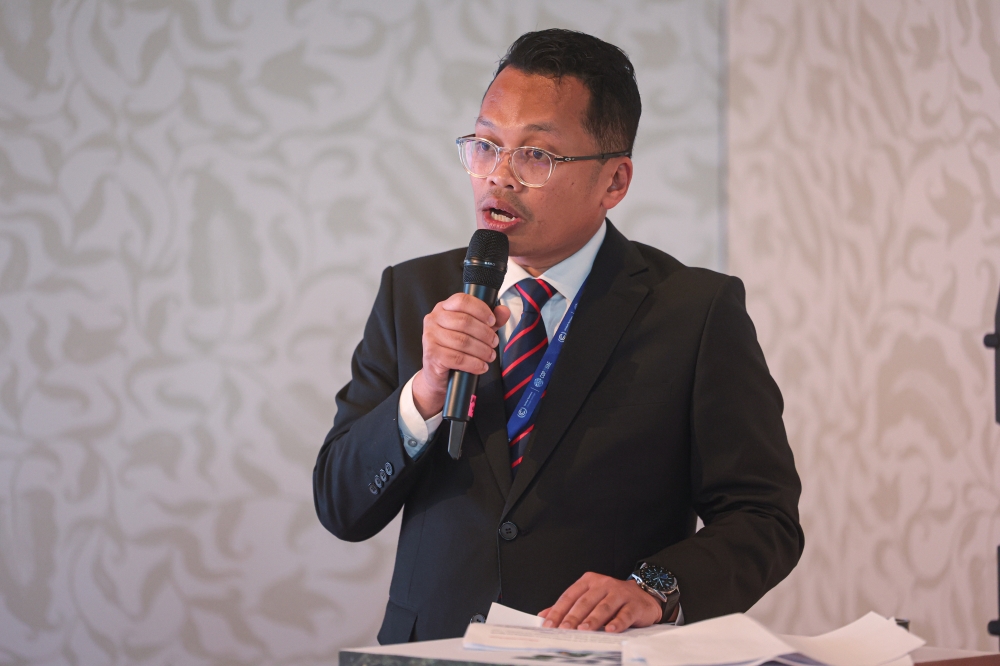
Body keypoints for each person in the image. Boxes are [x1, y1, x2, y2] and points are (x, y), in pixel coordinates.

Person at [313, 29, 803, 644]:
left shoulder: (694, 312)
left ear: (615, 182)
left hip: (604, 656)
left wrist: (654, 589)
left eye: (536, 155)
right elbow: (341, 505)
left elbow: (765, 518)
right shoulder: (412, 292)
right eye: (486, 146)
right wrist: (426, 391)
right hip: (432, 653)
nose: (500, 177)